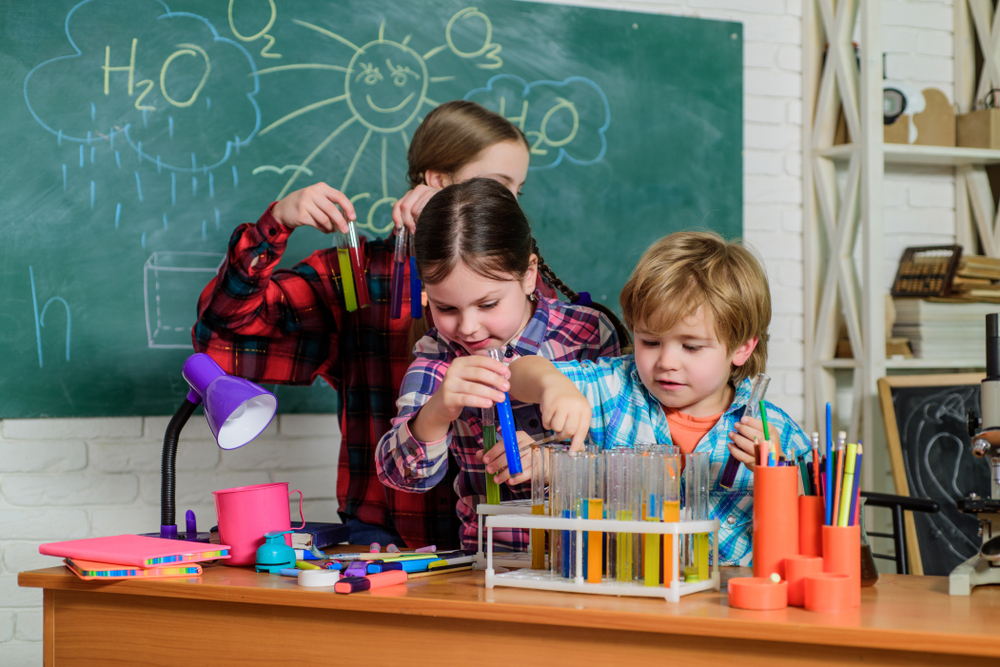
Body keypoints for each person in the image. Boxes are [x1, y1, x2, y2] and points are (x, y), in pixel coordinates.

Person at [193, 100, 625, 550]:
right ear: (436, 180)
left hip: (522, 545)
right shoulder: (358, 276)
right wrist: (275, 224)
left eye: (518, 189)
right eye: (497, 183)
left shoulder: (527, 296)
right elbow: (223, 335)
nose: (469, 325)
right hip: (389, 532)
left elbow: (603, 417)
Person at [505, 230, 810, 565]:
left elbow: (808, 540)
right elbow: (517, 372)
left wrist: (776, 473)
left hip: (729, 609)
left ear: (742, 347)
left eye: (691, 346)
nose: (666, 362)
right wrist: (553, 384)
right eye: (650, 342)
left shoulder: (776, 433)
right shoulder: (615, 388)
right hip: (625, 598)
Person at [375, 178, 622, 551]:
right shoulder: (438, 357)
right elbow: (402, 477)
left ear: (528, 275)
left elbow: (638, 454)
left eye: (488, 304)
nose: (468, 327)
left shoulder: (586, 333)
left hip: (597, 559)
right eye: (445, 308)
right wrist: (438, 410)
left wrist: (556, 465)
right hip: (493, 563)